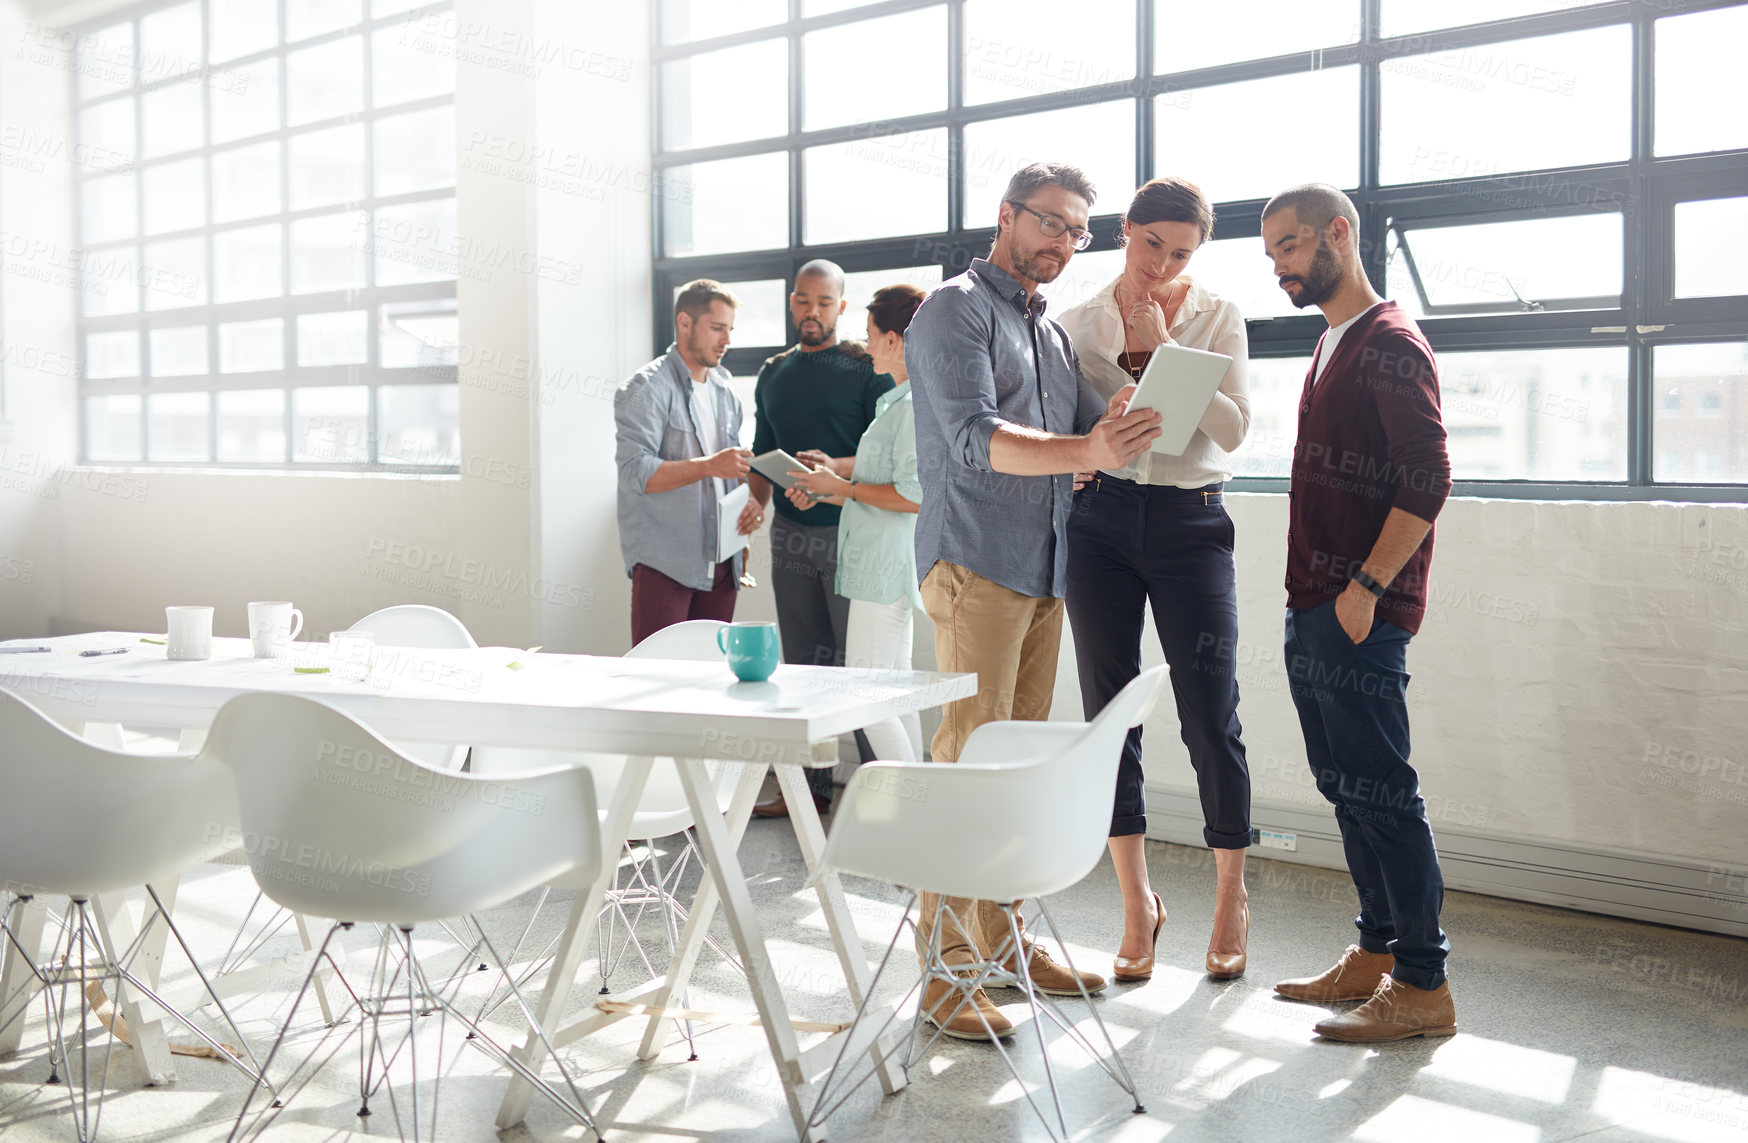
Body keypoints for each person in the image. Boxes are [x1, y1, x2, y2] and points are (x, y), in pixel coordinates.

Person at [907, 162, 1163, 1041]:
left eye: (1077, 232)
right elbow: (976, 442)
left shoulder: (1049, 335)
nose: (1062, 242)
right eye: (1050, 223)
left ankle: (1001, 940)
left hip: (1046, 565)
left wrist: (1135, 399)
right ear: (1007, 215)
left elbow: (1096, 429)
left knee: (1013, 767)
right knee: (966, 766)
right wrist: (1084, 445)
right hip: (976, 561)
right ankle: (942, 973)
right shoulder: (954, 310)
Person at [1260, 183, 1457, 1042]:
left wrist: (1367, 587)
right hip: (1317, 604)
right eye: (1272, 255)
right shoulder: (1332, 340)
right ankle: (1376, 951)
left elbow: (1428, 476)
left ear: (1341, 233)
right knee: (1345, 786)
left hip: (1359, 610)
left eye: (1293, 247)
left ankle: (1423, 985)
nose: (1282, 267)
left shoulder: (1389, 340)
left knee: (1385, 792)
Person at [1057, 177, 1254, 985]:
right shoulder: (1072, 325)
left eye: (1181, 254)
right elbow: (1064, 433)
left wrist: (1167, 352)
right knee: (1110, 715)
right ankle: (1137, 903)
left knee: (1211, 712)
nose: (1163, 265)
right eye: (1152, 246)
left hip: (1189, 520)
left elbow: (1236, 431)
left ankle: (1230, 897)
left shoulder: (1218, 317)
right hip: (1100, 522)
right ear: (1124, 233)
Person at [745, 260, 895, 818]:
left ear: (841, 307)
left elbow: (887, 454)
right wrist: (756, 508)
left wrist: (832, 469)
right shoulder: (773, 373)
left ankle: (886, 794)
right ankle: (809, 792)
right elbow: (763, 452)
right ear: (792, 303)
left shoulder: (865, 369)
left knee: (858, 670)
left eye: (824, 303)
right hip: (790, 535)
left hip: (849, 532)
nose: (813, 312)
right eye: (804, 301)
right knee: (804, 666)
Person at [785, 285, 928, 764]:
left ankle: (909, 801)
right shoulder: (899, 402)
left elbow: (913, 496)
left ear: (895, 340)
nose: (866, 349)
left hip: (883, 570)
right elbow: (885, 475)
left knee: (866, 697)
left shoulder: (909, 408)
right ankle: (916, 803)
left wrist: (837, 488)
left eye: (871, 337)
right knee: (893, 691)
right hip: (886, 566)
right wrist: (836, 470)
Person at [614, 280, 755, 646]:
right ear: (685, 323)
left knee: (712, 680)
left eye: (730, 330)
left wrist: (743, 519)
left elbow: (730, 468)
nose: (726, 340)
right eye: (717, 328)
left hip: (723, 561)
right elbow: (635, 472)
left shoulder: (725, 388)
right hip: (665, 562)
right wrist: (709, 466)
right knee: (658, 678)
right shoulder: (646, 388)